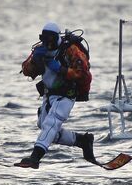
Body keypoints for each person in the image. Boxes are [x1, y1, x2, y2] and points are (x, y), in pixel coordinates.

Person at [15, 22, 94, 169]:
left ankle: (35, 157)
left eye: (51, 39)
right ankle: (82, 141)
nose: (48, 43)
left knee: (51, 123)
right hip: (49, 94)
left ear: (57, 37)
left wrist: (61, 69)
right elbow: (26, 71)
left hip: (67, 94)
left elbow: (83, 73)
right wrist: (34, 62)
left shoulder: (71, 50)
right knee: (45, 126)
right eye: (45, 39)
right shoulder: (41, 49)